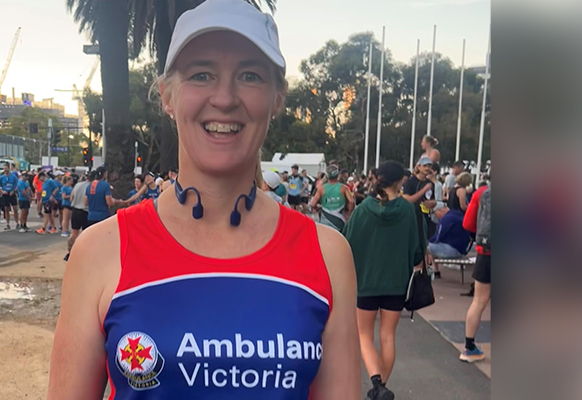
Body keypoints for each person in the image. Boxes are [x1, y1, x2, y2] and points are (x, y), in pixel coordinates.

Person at [48, 2, 360, 398]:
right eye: (201, 74)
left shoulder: (327, 254)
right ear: (166, 95)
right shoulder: (100, 250)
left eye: (250, 75)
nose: (225, 98)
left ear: (277, 97)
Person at [343, 161, 421, 400]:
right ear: (400, 181)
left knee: (364, 334)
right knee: (388, 335)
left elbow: (347, 242)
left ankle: (377, 384)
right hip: (396, 282)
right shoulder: (408, 210)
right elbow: (417, 250)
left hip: (365, 281)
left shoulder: (364, 209)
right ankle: (381, 386)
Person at [460, 175, 491, 363]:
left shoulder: (481, 193)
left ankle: (469, 348)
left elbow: (467, 224)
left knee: (479, 301)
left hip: (486, 252)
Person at [310, 164, 355, 232]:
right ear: (338, 175)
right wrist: (348, 213)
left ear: (327, 176)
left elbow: (313, 204)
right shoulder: (344, 188)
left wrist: (320, 208)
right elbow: (351, 202)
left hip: (325, 221)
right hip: (340, 220)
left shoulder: (321, 189)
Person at [63, 173, 90, 261]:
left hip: (75, 210)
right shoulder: (90, 186)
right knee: (85, 233)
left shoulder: (77, 185)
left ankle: (69, 252)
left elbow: (71, 197)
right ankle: (83, 252)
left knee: (73, 233)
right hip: (85, 210)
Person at [0, 163, 18, 230]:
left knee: (15, 208)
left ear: (9, 168)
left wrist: (13, 191)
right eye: (4, 168)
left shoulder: (13, 176)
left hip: (12, 194)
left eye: (6, 168)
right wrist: (1, 191)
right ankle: (7, 224)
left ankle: (17, 223)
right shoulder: (1, 177)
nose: (5, 170)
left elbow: (17, 185)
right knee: (6, 209)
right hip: (5, 194)